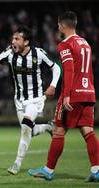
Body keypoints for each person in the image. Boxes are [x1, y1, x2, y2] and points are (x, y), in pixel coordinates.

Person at [0, 25, 61, 175]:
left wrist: (53, 86)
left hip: (36, 99)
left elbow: (56, 68)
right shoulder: (9, 53)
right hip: (19, 100)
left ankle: (17, 163)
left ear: (26, 42)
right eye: (13, 38)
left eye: (17, 39)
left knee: (25, 128)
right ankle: (48, 127)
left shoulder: (38, 54)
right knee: (29, 130)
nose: (13, 41)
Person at [28, 11, 99, 182]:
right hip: (88, 92)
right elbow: (89, 70)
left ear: (62, 25)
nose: (58, 27)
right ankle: (96, 170)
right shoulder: (85, 43)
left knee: (59, 130)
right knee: (88, 131)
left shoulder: (65, 44)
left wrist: (66, 95)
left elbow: (69, 70)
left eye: (58, 25)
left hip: (73, 94)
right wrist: (90, 90)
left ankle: (48, 170)